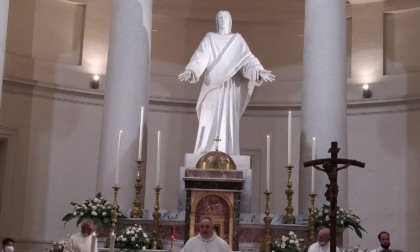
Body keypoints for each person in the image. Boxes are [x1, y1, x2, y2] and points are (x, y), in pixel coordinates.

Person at [179, 10, 275, 155]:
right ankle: (205, 151)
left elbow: (247, 62)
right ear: (217, 22)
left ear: (230, 21)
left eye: (225, 17)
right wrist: (191, 71)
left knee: (227, 121)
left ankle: (227, 152)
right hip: (212, 87)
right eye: (220, 17)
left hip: (230, 88)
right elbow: (199, 58)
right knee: (209, 117)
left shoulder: (237, 41)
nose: (223, 19)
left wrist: (258, 71)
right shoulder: (209, 38)